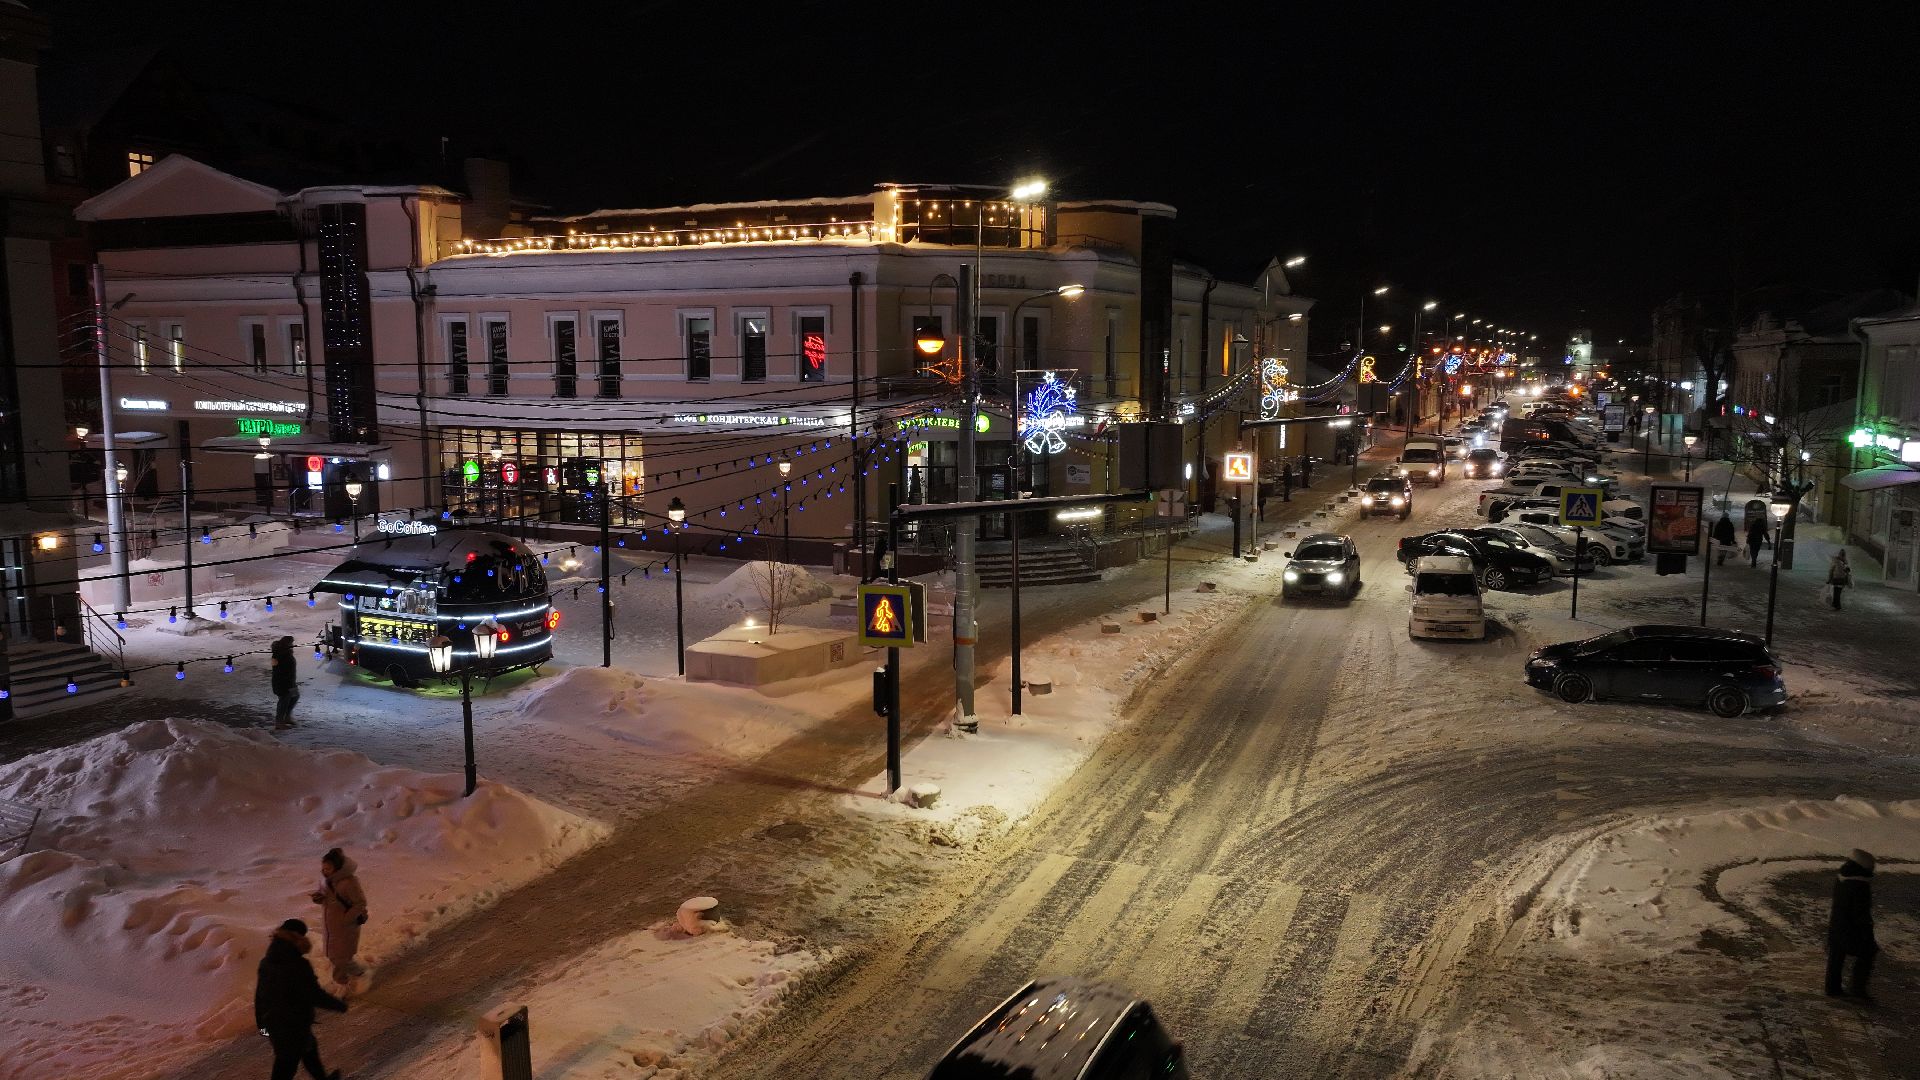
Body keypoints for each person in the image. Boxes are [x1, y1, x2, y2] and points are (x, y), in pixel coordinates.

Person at [254, 918, 346, 1080]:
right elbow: (314, 994)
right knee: (286, 1064)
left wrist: (262, 1025)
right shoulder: (297, 965)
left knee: (309, 1049)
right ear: (298, 938)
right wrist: (339, 1005)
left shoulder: (267, 962)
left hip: (274, 1023)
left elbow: (260, 996)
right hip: (292, 1025)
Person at [311, 847, 369, 988]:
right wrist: (319, 898)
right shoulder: (325, 881)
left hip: (346, 927)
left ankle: (359, 975)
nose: (324, 872)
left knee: (341, 958)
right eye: (323, 868)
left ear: (337, 868)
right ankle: (342, 982)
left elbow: (360, 903)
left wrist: (345, 919)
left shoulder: (349, 882)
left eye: (328, 869)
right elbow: (326, 897)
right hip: (331, 927)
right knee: (335, 957)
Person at [1826, 849, 1877, 999]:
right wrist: (1868, 936)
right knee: (1868, 952)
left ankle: (1832, 988)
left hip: (1836, 926)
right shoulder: (1860, 885)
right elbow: (1861, 914)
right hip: (1851, 931)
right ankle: (1858, 989)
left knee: (1836, 956)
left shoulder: (1842, 877)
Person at [270, 636, 299, 729]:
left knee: (295, 696)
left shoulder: (287, 652)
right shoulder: (279, 654)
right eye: (291, 643)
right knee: (284, 700)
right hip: (282, 683)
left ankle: (287, 716)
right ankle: (279, 722)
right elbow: (278, 669)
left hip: (290, 681)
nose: (292, 645)